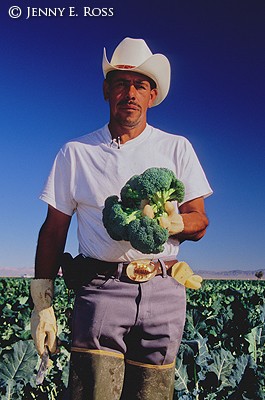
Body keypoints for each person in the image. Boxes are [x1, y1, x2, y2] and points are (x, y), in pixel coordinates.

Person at [30, 37, 213, 399]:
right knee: (93, 391)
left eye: (140, 85)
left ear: (152, 95)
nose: (130, 92)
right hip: (100, 290)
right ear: (106, 91)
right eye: (121, 83)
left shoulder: (177, 147)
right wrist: (42, 303)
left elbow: (200, 221)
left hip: (164, 292)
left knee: (153, 393)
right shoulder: (76, 152)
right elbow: (53, 230)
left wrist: (174, 224)